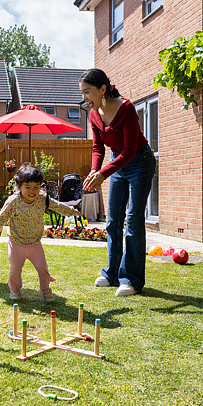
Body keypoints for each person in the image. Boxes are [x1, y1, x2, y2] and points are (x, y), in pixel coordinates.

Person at [80, 68, 155, 296]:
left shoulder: (127, 109)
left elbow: (130, 150)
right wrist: (95, 170)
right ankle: (111, 274)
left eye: (87, 92)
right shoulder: (94, 113)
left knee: (132, 221)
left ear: (103, 89)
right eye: (82, 92)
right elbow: (97, 147)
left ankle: (131, 280)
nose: (84, 97)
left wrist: (104, 173)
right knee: (113, 221)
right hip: (117, 162)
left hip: (139, 162)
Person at [0, 164, 82, 302]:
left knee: (43, 268)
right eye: (28, 187)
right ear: (19, 186)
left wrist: (71, 211)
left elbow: (57, 206)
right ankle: (14, 289)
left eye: (36, 187)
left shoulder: (42, 198)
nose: (32, 191)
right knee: (15, 269)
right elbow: (0, 219)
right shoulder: (13, 202)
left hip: (35, 244)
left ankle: (45, 290)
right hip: (16, 243)